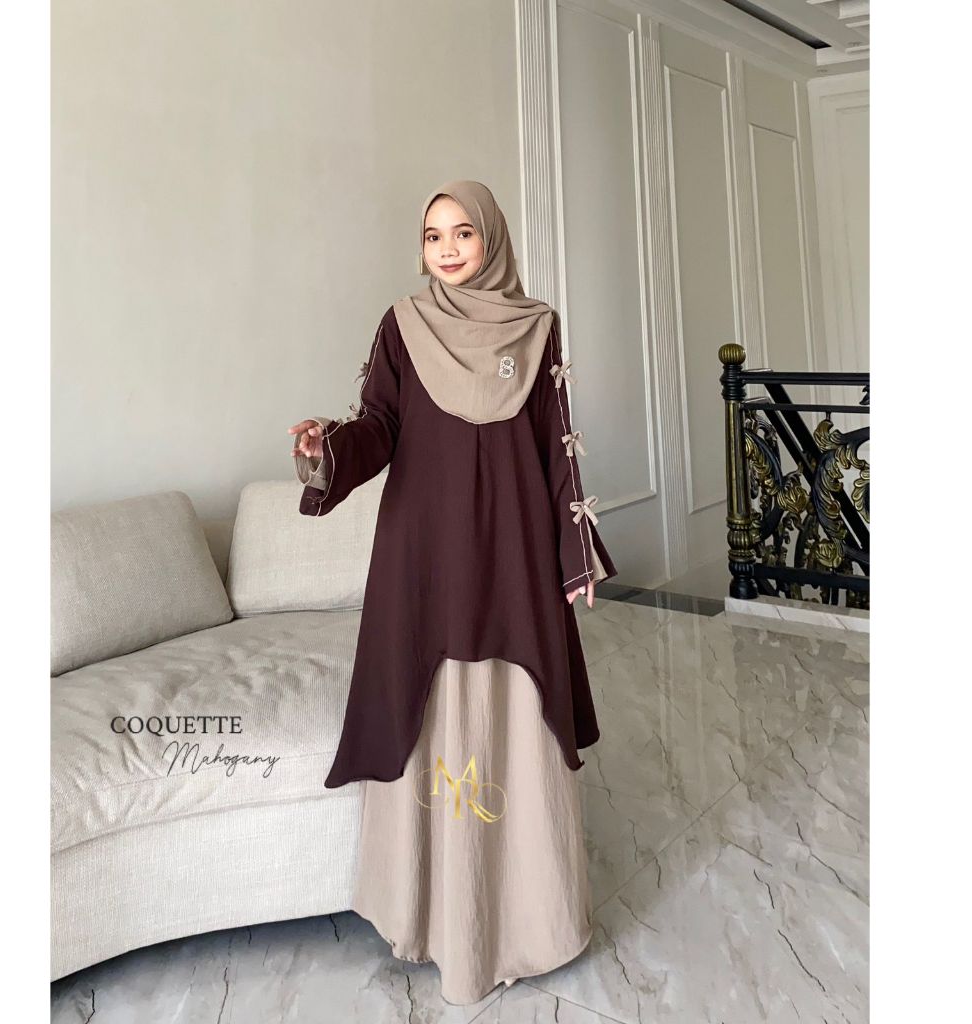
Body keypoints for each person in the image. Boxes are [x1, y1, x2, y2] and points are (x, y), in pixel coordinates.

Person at [286, 179, 617, 1005]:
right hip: (422, 557)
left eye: (464, 232)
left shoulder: (535, 328)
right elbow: (379, 426)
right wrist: (327, 448)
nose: (448, 248)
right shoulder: (402, 327)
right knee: (421, 707)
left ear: (491, 238)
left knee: (520, 705)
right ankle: (429, 918)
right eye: (433, 235)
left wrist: (575, 555)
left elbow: (557, 447)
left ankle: (527, 923)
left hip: (513, 554)